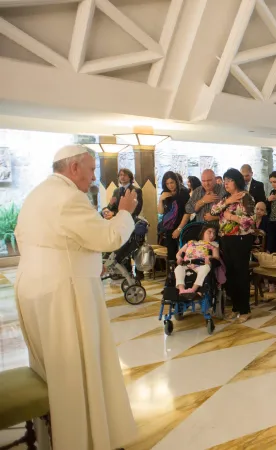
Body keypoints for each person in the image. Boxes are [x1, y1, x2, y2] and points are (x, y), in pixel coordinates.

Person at [14, 145, 138, 450]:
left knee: (56, 366)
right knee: (74, 366)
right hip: (63, 291)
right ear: (74, 169)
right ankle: (82, 438)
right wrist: (125, 212)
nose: (94, 176)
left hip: (36, 285)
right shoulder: (69, 197)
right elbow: (107, 238)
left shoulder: (39, 193)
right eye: (92, 169)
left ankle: (62, 432)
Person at [211, 168, 256, 323]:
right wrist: (228, 202)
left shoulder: (246, 197)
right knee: (230, 274)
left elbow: (250, 221)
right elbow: (214, 210)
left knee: (241, 274)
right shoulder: (226, 198)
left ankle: (245, 310)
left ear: (236, 181)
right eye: (224, 181)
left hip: (241, 239)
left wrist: (232, 217)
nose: (226, 184)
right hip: (226, 239)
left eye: (229, 180)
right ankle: (236, 307)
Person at [175, 226, 220, 294]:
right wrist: (179, 258)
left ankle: (193, 289)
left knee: (206, 268)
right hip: (187, 264)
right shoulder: (191, 242)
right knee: (178, 268)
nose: (212, 235)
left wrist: (210, 257)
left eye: (214, 233)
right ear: (203, 233)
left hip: (201, 265)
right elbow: (178, 253)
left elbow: (217, 257)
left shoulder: (214, 245)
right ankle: (181, 289)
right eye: (209, 232)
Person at [158, 171, 190, 261]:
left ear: (176, 181)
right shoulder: (164, 193)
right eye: (167, 183)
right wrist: (160, 200)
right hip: (168, 228)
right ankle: (172, 274)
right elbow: (161, 211)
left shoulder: (184, 193)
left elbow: (187, 213)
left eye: (172, 182)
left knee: (182, 254)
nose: (170, 186)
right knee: (171, 255)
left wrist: (179, 229)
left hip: (182, 227)